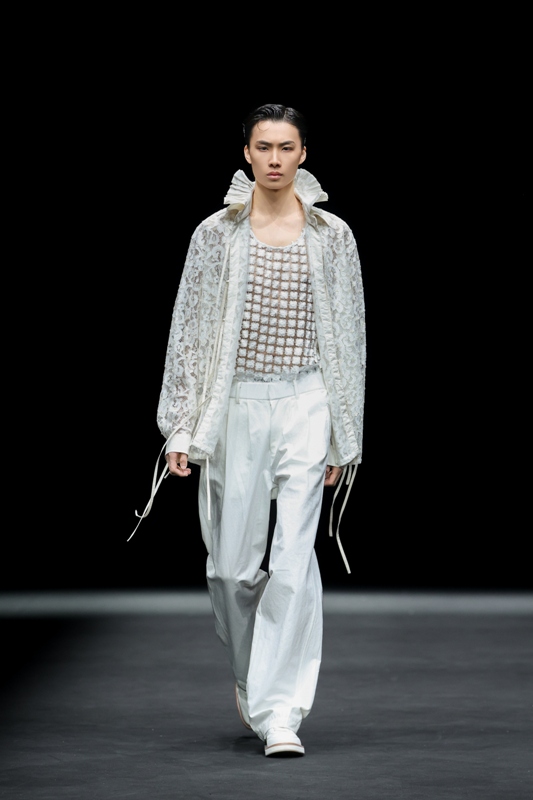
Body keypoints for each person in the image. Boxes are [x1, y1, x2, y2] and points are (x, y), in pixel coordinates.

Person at [155, 104, 366, 757]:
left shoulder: (332, 235)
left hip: (307, 401)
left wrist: (344, 433)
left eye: (286, 147)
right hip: (237, 406)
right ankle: (254, 680)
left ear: (303, 154)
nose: (275, 159)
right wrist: (181, 427)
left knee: (294, 561)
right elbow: (189, 331)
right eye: (264, 147)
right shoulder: (215, 234)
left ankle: (280, 714)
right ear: (246, 153)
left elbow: (350, 338)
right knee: (231, 572)